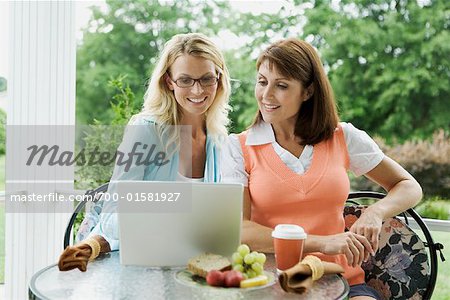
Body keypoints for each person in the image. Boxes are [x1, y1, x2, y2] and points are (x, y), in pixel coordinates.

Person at [221, 38, 422, 300]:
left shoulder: (343, 136)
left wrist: (375, 212)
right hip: (273, 283)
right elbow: (239, 230)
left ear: (308, 91)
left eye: (281, 85)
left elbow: (409, 186)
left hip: (344, 279)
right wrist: (322, 242)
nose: (266, 94)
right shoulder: (238, 147)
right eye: (262, 81)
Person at [58, 32, 231, 272]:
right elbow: (112, 216)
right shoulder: (145, 131)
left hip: (188, 266)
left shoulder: (218, 141)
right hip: (135, 265)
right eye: (185, 80)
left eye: (206, 79)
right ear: (169, 81)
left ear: (219, 79)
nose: (197, 90)